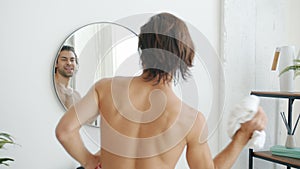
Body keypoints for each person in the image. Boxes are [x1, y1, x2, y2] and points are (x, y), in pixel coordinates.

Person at [55, 13, 267, 169]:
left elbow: (64, 131)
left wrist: (90, 161)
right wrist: (241, 136)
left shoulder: (105, 88)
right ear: (184, 57)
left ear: (143, 49)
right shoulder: (191, 120)